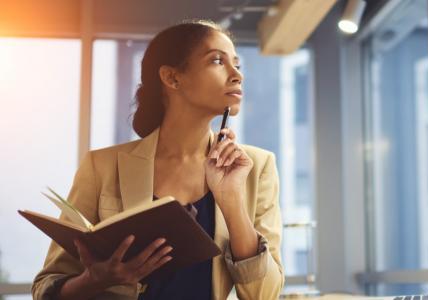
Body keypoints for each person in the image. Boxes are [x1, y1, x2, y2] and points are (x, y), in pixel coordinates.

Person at [31, 19, 284, 300]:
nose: (237, 75)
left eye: (237, 64)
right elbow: (46, 287)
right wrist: (92, 281)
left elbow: (265, 295)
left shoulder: (256, 168)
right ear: (172, 78)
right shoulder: (102, 167)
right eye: (217, 61)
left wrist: (232, 201)